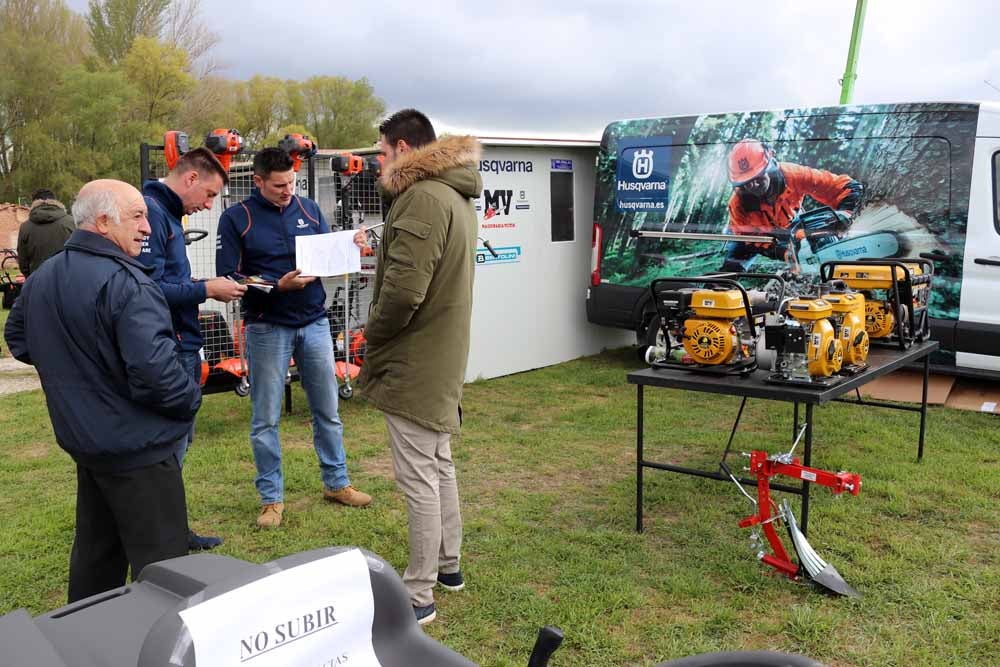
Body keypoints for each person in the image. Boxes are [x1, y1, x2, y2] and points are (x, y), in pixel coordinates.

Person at [4, 179, 200, 603]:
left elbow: (19, 338)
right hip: (139, 452)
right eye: (138, 216)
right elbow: (156, 375)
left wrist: (78, 369)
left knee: (97, 559)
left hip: (90, 446)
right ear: (104, 220)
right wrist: (190, 400)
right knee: (166, 576)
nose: (148, 227)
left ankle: (85, 642)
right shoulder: (129, 283)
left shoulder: (44, 276)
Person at [357, 109, 482, 625]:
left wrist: (373, 332)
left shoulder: (423, 199)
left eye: (382, 152)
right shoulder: (451, 196)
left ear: (404, 148)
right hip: (439, 353)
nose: (379, 162)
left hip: (416, 358)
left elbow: (404, 292)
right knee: (438, 464)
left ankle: (419, 592)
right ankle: (448, 567)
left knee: (419, 477)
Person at [216, 147, 371, 529]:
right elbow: (229, 277)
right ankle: (271, 500)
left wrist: (351, 246)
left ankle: (337, 483)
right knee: (265, 418)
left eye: (292, 183)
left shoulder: (308, 209)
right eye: (279, 185)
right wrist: (275, 286)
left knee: (327, 411)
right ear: (257, 181)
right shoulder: (237, 219)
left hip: (315, 322)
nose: (288, 190)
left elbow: (325, 253)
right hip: (267, 326)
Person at [140, 147, 247, 551]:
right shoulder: (152, 213)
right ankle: (161, 538)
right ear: (190, 179)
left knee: (180, 444)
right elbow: (145, 290)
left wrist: (202, 284)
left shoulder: (166, 214)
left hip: (182, 343)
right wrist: (206, 288)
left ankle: (171, 531)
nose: (209, 206)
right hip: (171, 346)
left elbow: (165, 280)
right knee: (171, 447)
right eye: (209, 195)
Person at [723, 138, 863, 271]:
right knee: (732, 266)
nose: (753, 185)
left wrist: (846, 213)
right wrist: (784, 253)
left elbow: (845, 187)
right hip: (749, 234)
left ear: (769, 165)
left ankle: (812, 272)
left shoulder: (793, 175)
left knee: (812, 239)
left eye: (757, 177)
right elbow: (753, 241)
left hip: (790, 219)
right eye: (746, 182)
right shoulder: (738, 204)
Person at [16, 188, 75, 278]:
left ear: (34, 203)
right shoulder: (71, 222)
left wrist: (32, 279)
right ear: (55, 201)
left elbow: (23, 263)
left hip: (38, 282)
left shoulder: (25, 227)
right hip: (68, 281)